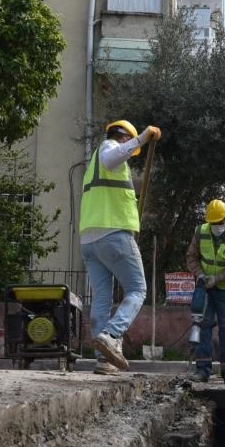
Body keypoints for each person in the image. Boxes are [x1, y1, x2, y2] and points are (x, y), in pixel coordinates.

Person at [81, 119, 161, 374]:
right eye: (130, 144)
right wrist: (143, 139)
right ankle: (112, 336)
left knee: (102, 297)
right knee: (138, 289)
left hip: (90, 241)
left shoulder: (94, 164)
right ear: (124, 138)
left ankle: (104, 361)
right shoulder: (108, 150)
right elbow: (111, 157)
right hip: (113, 234)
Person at [186, 199, 225, 385]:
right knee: (202, 325)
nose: (216, 226)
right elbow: (191, 258)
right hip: (205, 287)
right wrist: (201, 275)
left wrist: (217, 279)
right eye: (213, 223)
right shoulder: (200, 232)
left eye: (219, 222)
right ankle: (203, 370)